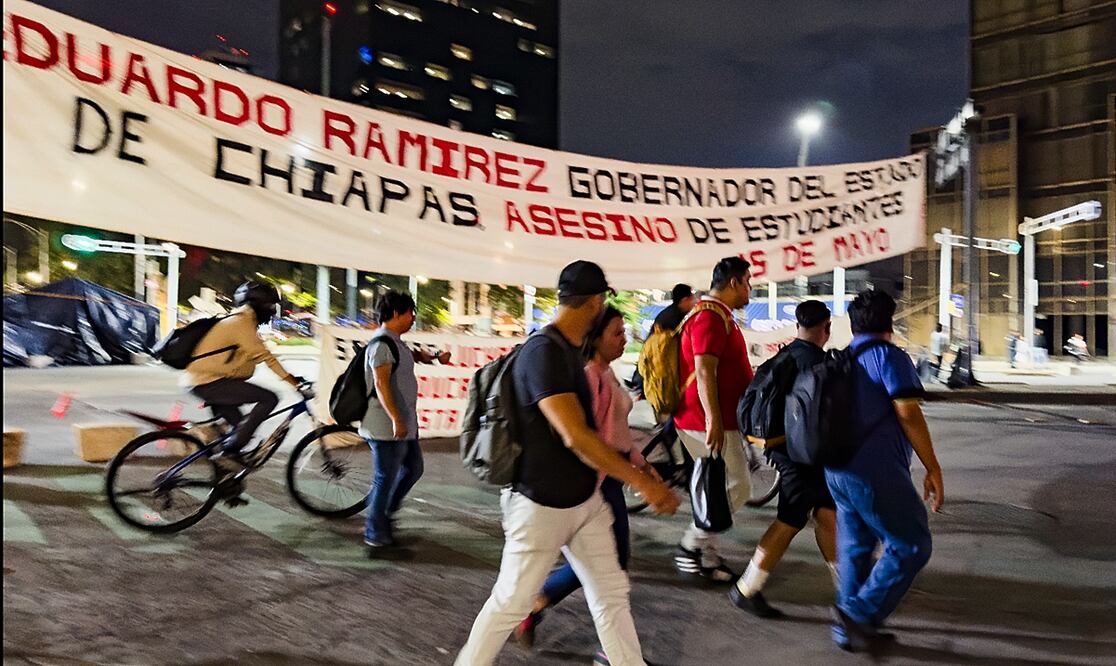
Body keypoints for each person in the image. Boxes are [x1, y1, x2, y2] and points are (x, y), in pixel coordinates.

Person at [456, 260, 679, 666]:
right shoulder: (544, 352)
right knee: (511, 602)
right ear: (595, 302)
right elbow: (575, 434)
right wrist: (643, 483)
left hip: (584, 502)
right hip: (541, 506)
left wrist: (633, 467)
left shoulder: (568, 351)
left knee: (611, 594)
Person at [515, 305, 654, 663]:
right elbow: (591, 439)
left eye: (625, 332)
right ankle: (610, 652)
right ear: (596, 337)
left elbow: (618, 433)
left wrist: (641, 464)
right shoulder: (590, 376)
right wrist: (634, 475)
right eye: (617, 333)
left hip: (611, 480)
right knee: (611, 568)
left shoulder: (606, 372)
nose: (625, 339)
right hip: (599, 484)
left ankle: (537, 603)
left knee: (607, 566)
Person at [826, 290, 944, 653]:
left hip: (836, 469)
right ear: (889, 323)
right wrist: (933, 467)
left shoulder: (840, 359)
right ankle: (858, 615)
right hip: (873, 472)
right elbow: (908, 413)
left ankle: (848, 632)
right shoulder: (888, 356)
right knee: (912, 544)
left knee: (856, 547)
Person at [730, 300, 838, 618]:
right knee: (790, 519)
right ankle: (746, 588)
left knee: (826, 514)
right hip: (802, 455)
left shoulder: (784, 355)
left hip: (782, 447)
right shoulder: (820, 364)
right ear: (827, 328)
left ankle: (848, 589)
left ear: (797, 326)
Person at [672, 257, 754, 583]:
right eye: (747, 282)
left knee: (715, 489)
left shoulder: (718, 315)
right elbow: (704, 370)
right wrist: (713, 420)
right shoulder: (709, 316)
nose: (750, 289)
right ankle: (690, 545)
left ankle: (708, 557)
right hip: (703, 419)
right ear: (734, 282)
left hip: (709, 417)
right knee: (738, 487)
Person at [185, 282, 304, 493]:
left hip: (205, 380)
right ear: (257, 304)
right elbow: (265, 356)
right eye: (269, 305)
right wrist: (293, 382)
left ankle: (226, 483)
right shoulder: (241, 323)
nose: (272, 311)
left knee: (240, 429)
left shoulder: (241, 321)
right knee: (269, 399)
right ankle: (229, 454)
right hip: (208, 382)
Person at [361, 291, 424, 552]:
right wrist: (396, 418)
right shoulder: (381, 344)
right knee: (385, 478)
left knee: (414, 468)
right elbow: (381, 384)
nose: (413, 318)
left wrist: (432, 357)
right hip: (386, 427)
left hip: (403, 424)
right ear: (396, 313)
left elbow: (407, 360)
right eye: (410, 313)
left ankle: (385, 514)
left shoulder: (395, 342)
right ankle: (375, 533)